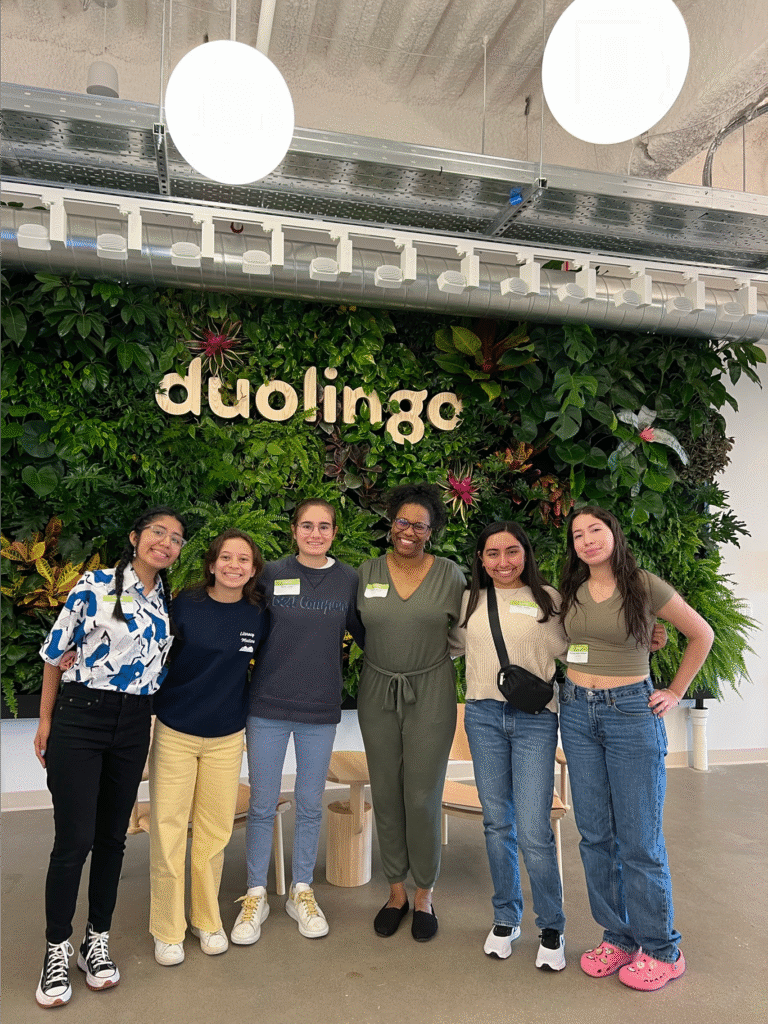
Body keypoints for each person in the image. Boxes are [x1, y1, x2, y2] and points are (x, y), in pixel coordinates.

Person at [34, 506, 186, 1009]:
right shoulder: (94, 584)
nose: (166, 543)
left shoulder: (166, 599)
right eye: (157, 533)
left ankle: (94, 940)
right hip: (81, 716)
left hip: (133, 722)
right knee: (73, 839)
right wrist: (46, 721)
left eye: (176, 538)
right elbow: (55, 655)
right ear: (135, 537)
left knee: (112, 838)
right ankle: (56, 947)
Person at [558, 505, 714, 992]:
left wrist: (674, 691)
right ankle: (618, 937)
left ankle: (663, 949)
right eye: (578, 534)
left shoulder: (643, 584)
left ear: (613, 534)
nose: (588, 541)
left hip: (630, 714)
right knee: (595, 836)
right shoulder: (572, 590)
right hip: (577, 712)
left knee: (639, 839)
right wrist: (648, 641)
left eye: (596, 530)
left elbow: (701, 633)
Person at [231, 499, 364, 945]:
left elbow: (368, 634)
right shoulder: (270, 575)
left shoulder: (348, 579)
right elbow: (241, 624)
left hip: (320, 708)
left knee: (310, 803)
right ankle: (255, 894)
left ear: (334, 532)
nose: (315, 533)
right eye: (306, 525)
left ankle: (300, 889)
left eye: (323, 526)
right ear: (294, 530)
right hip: (266, 705)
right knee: (263, 803)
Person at [149, 529, 269, 966]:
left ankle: (207, 919)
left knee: (214, 834)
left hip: (225, 737)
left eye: (244, 560)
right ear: (212, 563)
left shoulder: (258, 615)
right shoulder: (185, 603)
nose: (234, 565)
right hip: (176, 731)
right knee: (167, 830)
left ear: (253, 570)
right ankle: (166, 929)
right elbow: (149, 649)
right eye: (226, 557)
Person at [455, 521, 568, 970]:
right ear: (481, 559)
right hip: (482, 715)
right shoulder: (470, 602)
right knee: (497, 823)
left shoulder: (550, 599)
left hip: (535, 720)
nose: (503, 562)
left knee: (535, 827)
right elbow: (443, 647)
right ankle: (506, 916)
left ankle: (552, 924)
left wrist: (646, 640)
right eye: (492, 553)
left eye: (512, 551)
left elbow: (578, 648)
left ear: (526, 552)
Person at [356, 483, 466, 942]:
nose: (409, 530)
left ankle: (425, 893)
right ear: (391, 522)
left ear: (432, 531)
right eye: (403, 521)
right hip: (377, 689)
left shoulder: (451, 575)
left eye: (420, 525)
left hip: (432, 690)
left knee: (421, 795)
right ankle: (395, 891)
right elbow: (357, 628)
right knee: (384, 790)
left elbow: (464, 637)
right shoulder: (366, 572)